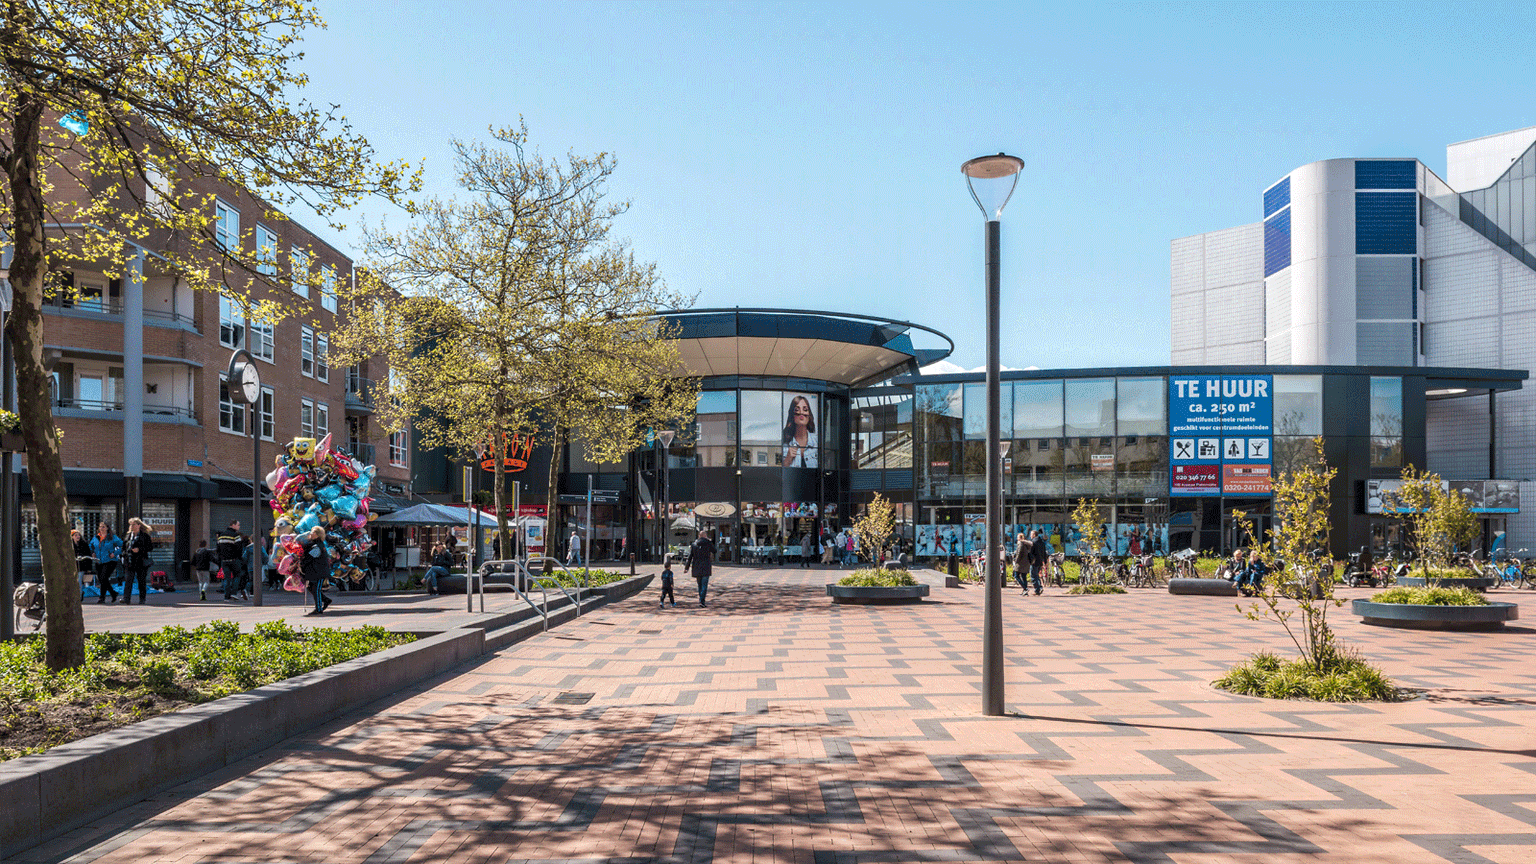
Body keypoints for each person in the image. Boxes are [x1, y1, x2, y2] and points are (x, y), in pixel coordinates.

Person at [299, 526, 332, 615]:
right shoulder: (314, 544)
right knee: (311, 588)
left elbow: (310, 557)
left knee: (316, 589)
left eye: (312, 532)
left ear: (317, 535)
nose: (310, 534)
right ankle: (326, 600)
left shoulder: (317, 546)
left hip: (319, 571)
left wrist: (301, 562)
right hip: (315, 571)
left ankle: (318, 609)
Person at [122, 517, 154, 605]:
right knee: (128, 580)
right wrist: (124, 555)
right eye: (130, 525)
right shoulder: (128, 535)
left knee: (141, 581)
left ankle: (142, 598)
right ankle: (126, 598)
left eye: (134, 524)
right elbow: (124, 547)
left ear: (139, 525)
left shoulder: (144, 536)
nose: (132, 526)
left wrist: (139, 549)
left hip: (141, 561)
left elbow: (150, 547)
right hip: (130, 561)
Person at [781, 395, 819, 468]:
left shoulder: (817, 441)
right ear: (792, 415)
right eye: (797, 410)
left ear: (809, 415)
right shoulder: (785, 444)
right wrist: (788, 460)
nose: (801, 413)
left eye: (805, 409)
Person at [217, 520, 248, 602]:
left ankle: (226, 597)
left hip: (224, 561)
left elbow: (218, 549)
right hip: (234, 560)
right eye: (238, 525)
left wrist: (221, 558)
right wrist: (240, 558)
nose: (239, 527)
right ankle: (234, 593)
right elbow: (239, 548)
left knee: (227, 578)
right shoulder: (235, 535)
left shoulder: (221, 536)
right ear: (233, 525)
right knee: (237, 575)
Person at [91, 522, 122, 604]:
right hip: (99, 561)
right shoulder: (96, 537)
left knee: (103, 578)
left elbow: (123, 546)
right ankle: (112, 593)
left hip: (110, 561)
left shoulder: (112, 537)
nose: (101, 528)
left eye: (103, 527)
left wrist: (114, 553)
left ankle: (102, 597)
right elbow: (91, 546)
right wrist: (92, 552)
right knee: (101, 579)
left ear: (107, 528)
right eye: (100, 527)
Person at [684, 531, 716, 607]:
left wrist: (686, 567)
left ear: (699, 536)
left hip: (697, 567)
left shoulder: (694, 544)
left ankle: (701, 599)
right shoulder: (708, 543)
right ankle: (702, 601)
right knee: (704, 585)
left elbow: (690, 557)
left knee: (699, 585)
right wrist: (709, 541)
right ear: (705, 536)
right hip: (706, 567)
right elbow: (715, 550)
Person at [72, 528, 94, 598]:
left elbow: (88, 555)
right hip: (71, 567)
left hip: (81, 567)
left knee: (79, 582)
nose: (78, 536)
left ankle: (79, 596)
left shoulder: (84, 544)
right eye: (76, 535)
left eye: (78, 535)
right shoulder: (69, 545)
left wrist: (88, 568)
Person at [1027, 528, 1047, 595]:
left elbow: (1030, 552)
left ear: (1034, 535)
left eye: (1031, 534)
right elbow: (1044, 552)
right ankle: (1039, 587)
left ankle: (1037, 590)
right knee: (1036, 575)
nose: (1030, 536)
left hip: (1034, 561)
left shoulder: (1033, 542)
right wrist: (1045, 561)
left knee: (1033, 575)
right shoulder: (1041, 542)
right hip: (1040, 561)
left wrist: (1029, 560)